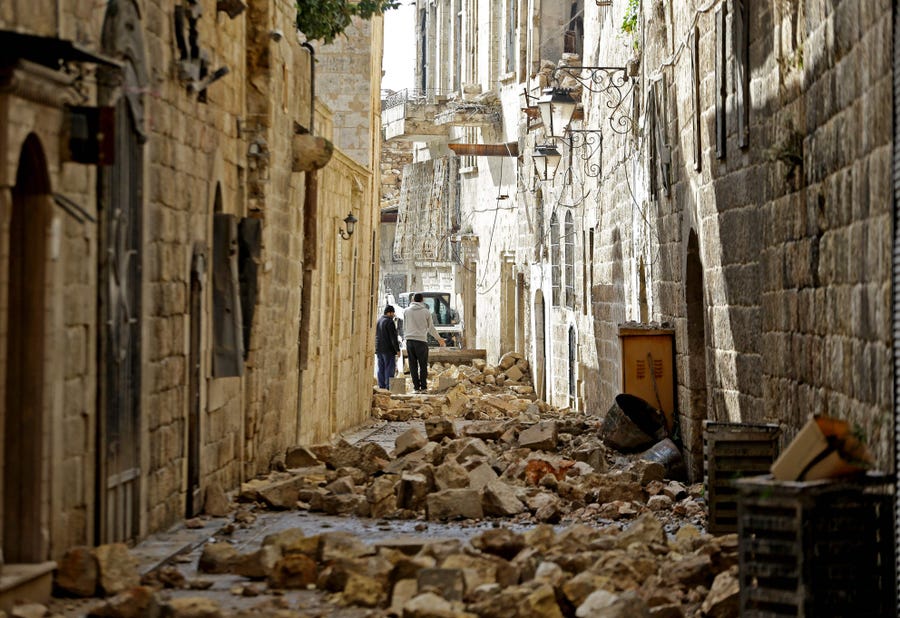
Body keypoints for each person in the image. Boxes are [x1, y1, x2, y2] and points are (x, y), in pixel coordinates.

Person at [403, 292, 445, 392]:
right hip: (421, 341)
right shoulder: (426, 312)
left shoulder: (406, 311)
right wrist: (439, 339)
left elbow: (404, 326)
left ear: (413, 300)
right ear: (422, 300)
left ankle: (416, 388)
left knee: (412, 365)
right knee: (422, 365)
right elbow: (431, 328)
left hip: (409, 341)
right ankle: (424, 387)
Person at [375, 305, 401, 389]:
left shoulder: (379, 321)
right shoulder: (389, 322)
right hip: (388, 350)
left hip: (379, 349)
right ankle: (388, 387)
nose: (393, 315)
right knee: (389, 369)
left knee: (381, 368)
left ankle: (381, 386)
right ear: (389, 313)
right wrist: (397, 349)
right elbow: (393, 337)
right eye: (393, 313)